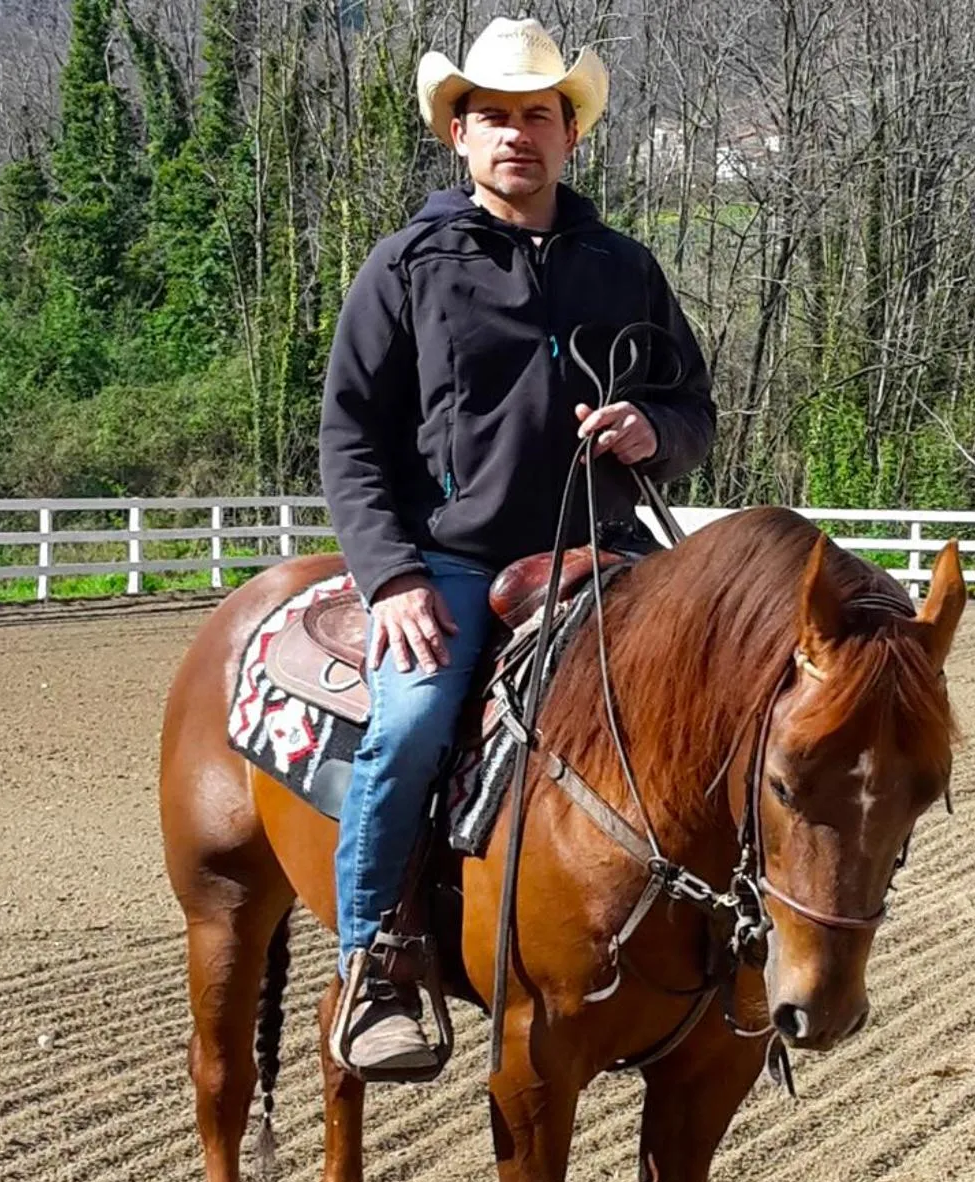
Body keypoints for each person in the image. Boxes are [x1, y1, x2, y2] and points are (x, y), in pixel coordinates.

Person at [319, 16, 716, 1081]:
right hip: (451, 561)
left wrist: (651, 431)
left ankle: (729, 939)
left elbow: (691, 412)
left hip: (605, 551)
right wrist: (391, 577)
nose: (513, 135)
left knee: (722, 712)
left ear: (567, 135)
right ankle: (379, 962)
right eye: (490, 115)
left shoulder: (623, 268)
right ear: (458, 134)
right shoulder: (405, 266)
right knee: (407, 728)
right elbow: (348, 436)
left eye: (535, 115)